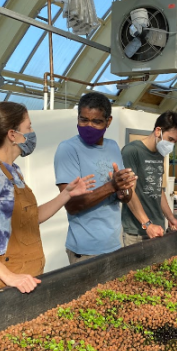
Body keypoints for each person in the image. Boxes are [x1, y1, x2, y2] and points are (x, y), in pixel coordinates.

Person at [0, 102, 94, 295]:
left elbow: (32, 217)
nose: (32, 132)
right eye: (29, 127)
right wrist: (8, 276)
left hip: (27, 279)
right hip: (2, 285)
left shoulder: (14, 171)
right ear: (12, 135)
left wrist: (66, 194)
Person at [54, 92, 136, 264]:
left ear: (108, 121)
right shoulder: (68, 149)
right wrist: (112, 187)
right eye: (83, 120)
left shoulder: (112, 146)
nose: (88, 126)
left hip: (114, 244)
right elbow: (71, 205)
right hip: (85, 251)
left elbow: (124, 196)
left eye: (96, 121)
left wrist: (124, 191)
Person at [121, 111, 177, 246]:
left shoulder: (159, 154)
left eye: (175, 141)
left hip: (157, 228)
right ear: (158, 131)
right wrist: (147, 224)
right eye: (170, 139)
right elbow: (128, 193)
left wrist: (170, 218)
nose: (172, 144)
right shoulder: (131, 151)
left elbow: (158, 190)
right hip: (137, 232)